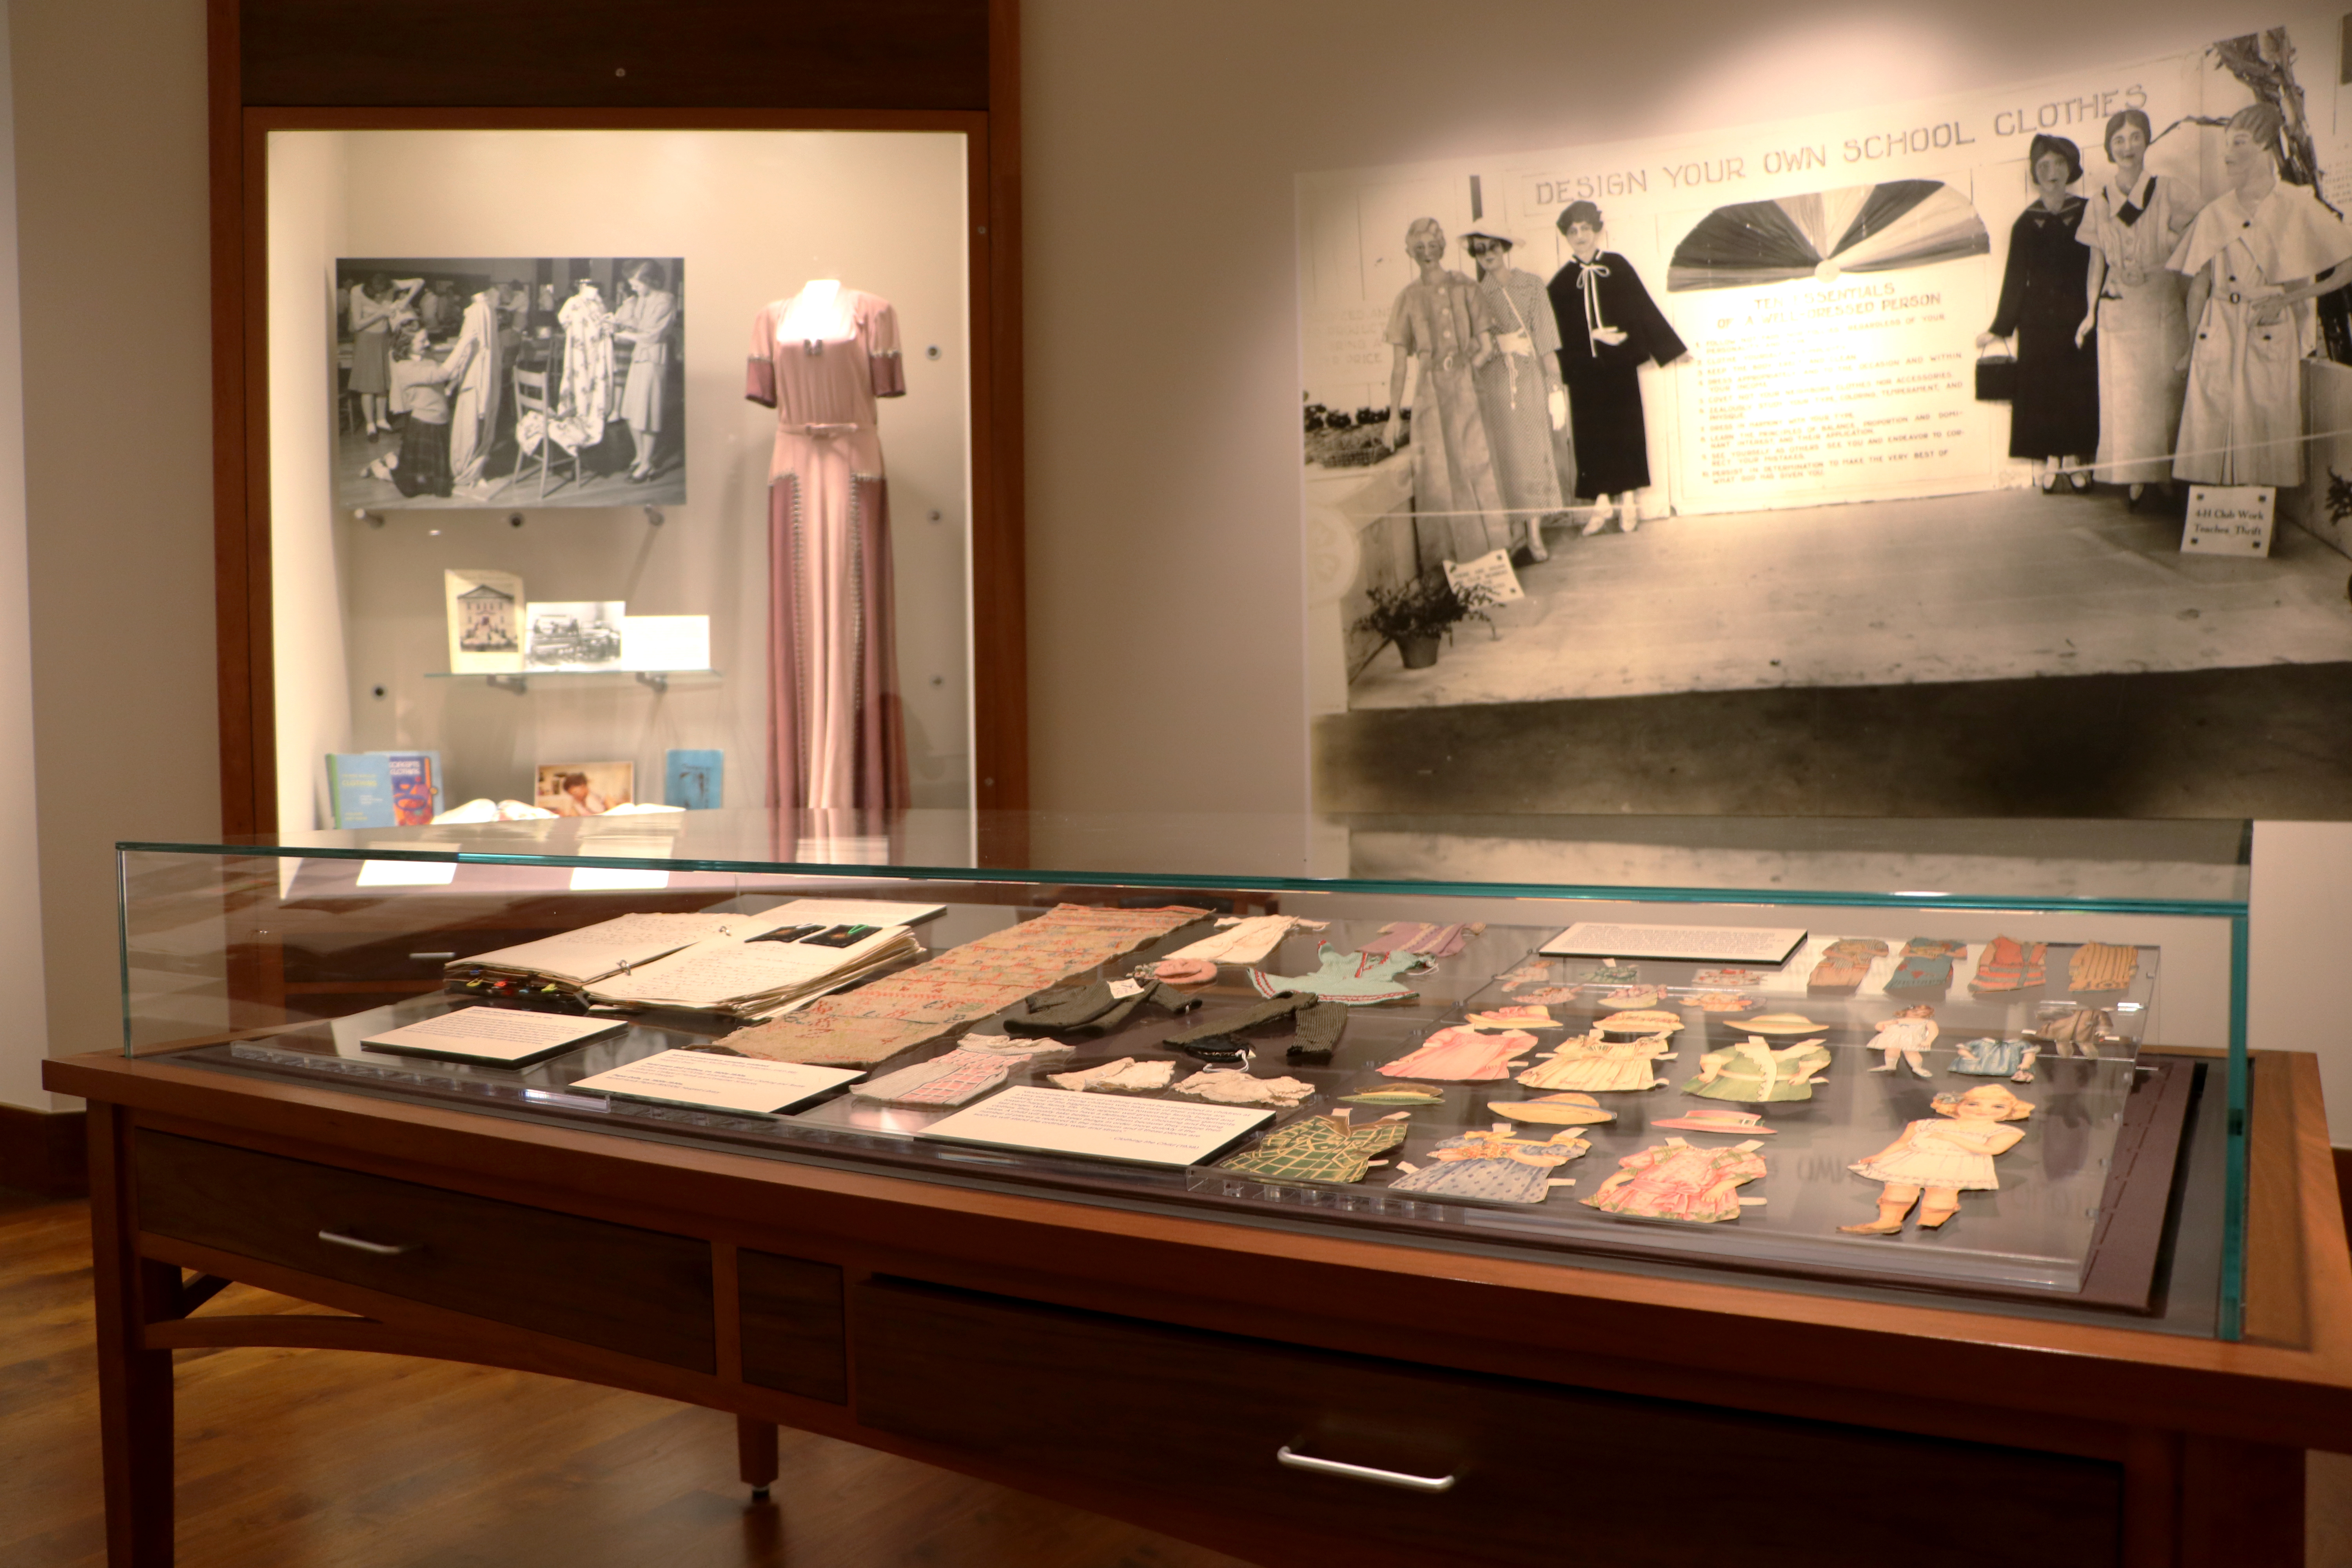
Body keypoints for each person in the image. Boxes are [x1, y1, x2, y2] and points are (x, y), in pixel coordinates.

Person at [2169, 101, 2352, 488]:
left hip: (2267, 325)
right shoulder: (2216, 213)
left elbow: (2346, 267)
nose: (2227, 154)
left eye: (2239, 143)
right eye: (2227, 144)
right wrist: (2190, 344)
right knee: (2213, 420)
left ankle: (2258, 519)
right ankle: (2219, 518)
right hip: (2218, 326)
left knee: (2265, 422)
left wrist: (2285, 301)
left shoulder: (2296, 205)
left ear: (2266, 146)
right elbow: (2200, 282)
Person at [1544, 200, 1687, 535]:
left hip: (1619, 368)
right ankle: (1601, 505)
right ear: (1567, 237)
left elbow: (1642, 307)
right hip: (1585, 373)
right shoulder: (1563, 282)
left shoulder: (1617, 266)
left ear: (1597, 230)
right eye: (1573, 231)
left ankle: (1628, 503)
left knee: (1625, 431)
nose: (1580, 236)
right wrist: (1591, 335)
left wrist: (1671, 348)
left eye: (1586, 228)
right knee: (1592, 436)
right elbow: (1553, 329)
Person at [2076, 109, 2194, 508]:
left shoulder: (2170, 190)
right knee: (2125, 401)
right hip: (2119, 311)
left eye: (2135, 137)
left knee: (2166, 392)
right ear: (2110, 148)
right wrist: (2090, 312)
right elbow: (2096, 264)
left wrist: (2172, 244)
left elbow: (2201, 240)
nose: (2128, 147)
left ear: (2147, 141)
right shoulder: (2099, 203)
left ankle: (2167, 475)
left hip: (2161, 302)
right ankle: (2135, 477)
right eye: (2119, 140)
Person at [1379, 218, 1511, 564]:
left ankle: (1494, 560)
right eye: (1418, 248)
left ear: (1443, 249)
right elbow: (1398, 366)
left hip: (1468, 391)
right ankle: (1448, 567)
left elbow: (1487, 346)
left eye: (1432, 246)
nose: (1427, 254)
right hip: (1429, 396)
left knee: (1478, 464)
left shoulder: (1466, 287)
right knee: (1436, 475)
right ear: (1409, 252)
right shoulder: (1406, 299)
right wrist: (1393, 416)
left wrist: (1468, 372)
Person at [1979, 135, 2099, 493]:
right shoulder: (2025, 223)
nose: (2052, 172)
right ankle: (2051, 461)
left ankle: (2076, 461)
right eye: (2043, 166)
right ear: (2034, 174)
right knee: (2043, 391)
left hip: (2078, 319)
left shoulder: (2089, 211)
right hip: (2038, 323)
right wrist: (2000, 328)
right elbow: (2015, 278)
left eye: (2059, 164)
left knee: (2077, 390)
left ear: (2071, 168)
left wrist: (2098, 310)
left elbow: (2100, 263)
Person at [1463, 228, 1567, 562]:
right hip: (1495, 383)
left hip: (1530, 380)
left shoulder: (1532, 285)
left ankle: (1535, 535)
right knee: (1505, 457)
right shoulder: (1476, 295)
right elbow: (1473, 347)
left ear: (1504, 248)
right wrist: (1497, 346)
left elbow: (1548, 341)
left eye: (1492, 248)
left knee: (1532, 453)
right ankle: (1515, 535)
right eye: (1479, 251)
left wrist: (1555, 390)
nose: (1487, 255)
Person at [1842, 1083, 2033, 1235]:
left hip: (1955, 1167)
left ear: (2010, 1111)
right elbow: (1903, 1143)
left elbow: (1991, 1149)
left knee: (1940, 1198)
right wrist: (1880, 1156)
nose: (1983, 1110)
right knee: (1897, 1192)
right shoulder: (1925, 1124)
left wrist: (1953, 1139)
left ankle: (1931, 1226)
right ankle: (1887, 1222)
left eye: (1998, 1107)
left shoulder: (2005, 1131)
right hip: (1913, 1163)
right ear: (1957, 1106)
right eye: (1973, 1104)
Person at [361, 326, 461, 498]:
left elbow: (447, 376)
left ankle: (393, 459)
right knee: (409, 487)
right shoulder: (405, 368)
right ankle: (379, 469)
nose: (428, 343)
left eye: (427, 339)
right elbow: (442, 374)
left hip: (440, 425)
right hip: (423, 427)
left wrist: (450, 388)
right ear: (407, 345)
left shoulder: (426, 359)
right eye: (422, 341)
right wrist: (464, 343)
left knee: (438, 485)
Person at [613, 260, 679, 483]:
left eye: (636, 283)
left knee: (647, 413)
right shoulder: (639, 300)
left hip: (653, 361)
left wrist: (626, 333)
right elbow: (633, 324)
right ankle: (641, 456)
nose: (634, 287)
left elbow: (652, 335)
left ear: (649, 280)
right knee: (632, 411)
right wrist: (617, 322)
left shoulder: (666, 300)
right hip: (638, 359)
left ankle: (646, 464)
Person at [347, 273, 422, 441]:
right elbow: (357, 324)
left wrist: (407, 300)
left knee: (382, 382)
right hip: (366, 339)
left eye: (384, 293)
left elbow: (419, 281)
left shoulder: (392, 284)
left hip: (384, 338)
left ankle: (382, 420)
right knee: (368, 385)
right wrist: (382, 313)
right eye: (377, 294)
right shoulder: (356, 292)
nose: (381, 297)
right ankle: (370, 425)